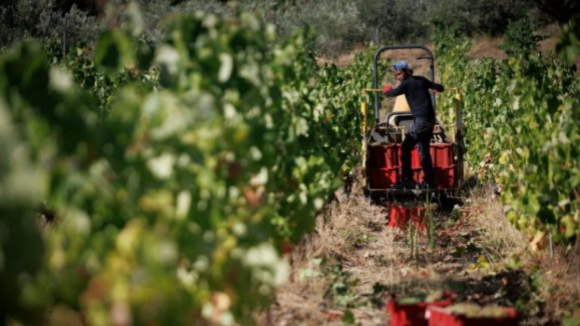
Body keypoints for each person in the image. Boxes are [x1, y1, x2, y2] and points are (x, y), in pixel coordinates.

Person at [383, 60, 444, 190]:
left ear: (405, 72)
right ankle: (430, 182)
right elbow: (440, 87)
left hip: (421, 121)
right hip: (430, 120)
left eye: (399, 74)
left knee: (405, 148)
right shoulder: (421, 79)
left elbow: (391, 93)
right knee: (423, 151)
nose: (398, 77)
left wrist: (386, 90)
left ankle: (407, 180)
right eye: (396, 76)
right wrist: (435, 89)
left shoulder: (406, 84)